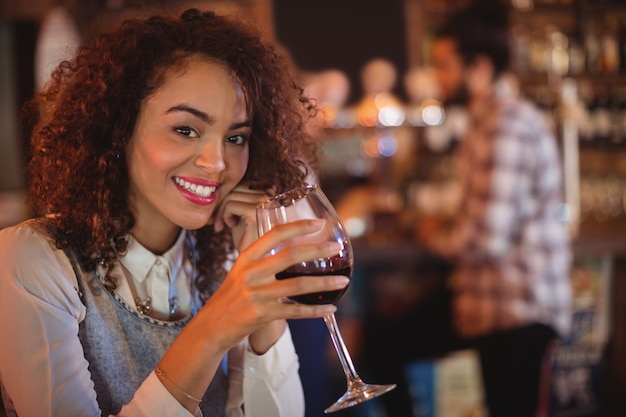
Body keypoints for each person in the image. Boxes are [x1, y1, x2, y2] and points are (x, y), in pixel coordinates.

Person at [0, 8, 350, 417]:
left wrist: (263, 293)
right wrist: (215, 326)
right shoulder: (32, 260)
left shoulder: (224, 258)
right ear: (119, 129)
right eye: (186, 130)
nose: (217, 162)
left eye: (236, 136)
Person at [413, 1, 573, 416]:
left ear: (479, 67)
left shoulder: (506, 126)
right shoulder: (488, 123)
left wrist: (431, 234)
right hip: (495, 309)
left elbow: (486, 237)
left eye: (445, 65)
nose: (438, 78)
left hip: (519, 312)